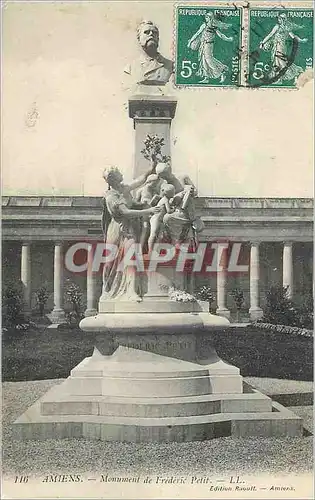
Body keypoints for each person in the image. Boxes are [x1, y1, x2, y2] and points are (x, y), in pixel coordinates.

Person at [101, 165, 160, 301]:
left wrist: (152, 165)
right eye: (119, 172)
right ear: (113, 178)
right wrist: (148, 211)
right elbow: (125, 213)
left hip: (130, 229)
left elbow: (141, 180)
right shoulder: (111, 196)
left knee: (131, 256)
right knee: (111, 263)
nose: (122, 173)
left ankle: (131, 291)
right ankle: (107, 288)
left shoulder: (124, 188)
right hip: (118, 230)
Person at [259, 13, 308, 84]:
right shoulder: (282, 27)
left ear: (283, 20)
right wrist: (262, 42)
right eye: (279, 18)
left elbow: (293, 36)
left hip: (280, 46)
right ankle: (279, 77)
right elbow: (293, 36)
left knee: (280, 61)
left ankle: (282, 76)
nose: (279, 20)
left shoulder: (281, 27)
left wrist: (301, 40)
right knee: (278, 61)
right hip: (279, 46)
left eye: (281, 19)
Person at [187, 12, 233, 84]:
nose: (206, 19)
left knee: (209, 60)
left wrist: (228, 39)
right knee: (203, 61)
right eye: (206, 17)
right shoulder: (204, 25)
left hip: (209, 45)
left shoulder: (213, 27)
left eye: (207, 17)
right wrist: (190, 42)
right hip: (203, 45)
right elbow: (197, 33)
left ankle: (221, 73)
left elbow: (221, 35)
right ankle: (206, 77)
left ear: (211, 18)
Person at [124, 20, 174, 86]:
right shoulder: (130, 68)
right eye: (146, 32)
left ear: (158, 39)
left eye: (154, 32)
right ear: (139, 39)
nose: (151, 34)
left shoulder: (171, 66)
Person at [147, 183, 175, 252]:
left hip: (159, 219)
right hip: (156, 219)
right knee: (153, 234)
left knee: (159, 236)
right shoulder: (165, 199)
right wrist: (174, 209)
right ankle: (150, 251)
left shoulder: (165, 199)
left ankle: (155, 250)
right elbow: (168, 211)